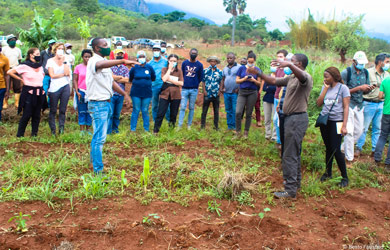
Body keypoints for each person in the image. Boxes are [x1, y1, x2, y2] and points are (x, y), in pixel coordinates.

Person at [260, 53, 313, 199]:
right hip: (290, 119)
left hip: (297, 119)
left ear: (300, 64)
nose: (289, 62)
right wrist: (258, 72)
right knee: (292, 152)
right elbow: (273, 80)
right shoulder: (291, 78)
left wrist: (289, 65)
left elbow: (302, 77)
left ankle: (290, 190)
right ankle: (295, 183)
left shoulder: (305, 78)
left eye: (293, 61)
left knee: (289, 154)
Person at [86, 37, 136, 174]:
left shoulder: (105, 64)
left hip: (105, 103)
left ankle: (94, 162)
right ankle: (98, 170)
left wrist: (125, 94)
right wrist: (123, 61)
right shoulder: (94, 61)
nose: (108, 47)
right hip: (98, 104)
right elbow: (101, 65)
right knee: (99, 138)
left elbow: (111, 82)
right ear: (97, 48)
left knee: (98, 136)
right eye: (105, 45)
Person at [316, 67, 350, 187]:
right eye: (324, 76)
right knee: (329, 148)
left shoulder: (343, 88)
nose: (325, 79)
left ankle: (345, 177)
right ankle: (328, 173)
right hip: (325, 122)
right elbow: (319, 103)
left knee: (336, 149)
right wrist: (325, 89)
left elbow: (346, 107)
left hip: (337, 122)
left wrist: (344, 126)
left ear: (334, 76)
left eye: (327, 76)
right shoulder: (325, 87)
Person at [8, 48, 47, 137]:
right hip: (29, 93)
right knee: (27, 114)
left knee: (37, 115)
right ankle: (20, 135)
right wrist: (20, 79)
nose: (39, 55)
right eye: (37, 53)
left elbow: (42, 76)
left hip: (39, 93)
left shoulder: (40, 66)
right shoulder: (24, 66)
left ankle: (34, 134)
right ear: (31, 55)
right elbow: (9, 72)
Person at [341, 51, 372, 163]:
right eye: (360, 63)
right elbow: (341, 91)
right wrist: (358, 88)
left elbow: (364, 91)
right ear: (354, 61)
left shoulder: (365, 73)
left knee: (359, 131)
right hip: (348, 104)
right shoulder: (346, 73)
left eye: (364, 63)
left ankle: (343, 148)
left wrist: (368, 89)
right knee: (349, 131)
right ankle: (349, 158)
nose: (362, 65)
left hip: (359, 104)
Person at [356, 53, 390, 157]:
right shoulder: (368, 72)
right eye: (387, 62)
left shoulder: (387, 75)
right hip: (368, 103)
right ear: (380, 62)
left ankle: (375, 149)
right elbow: (361, 86)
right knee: (364, 127)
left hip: (381, 104)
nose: (388, 64)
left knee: (377, 128)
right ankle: (358, 148)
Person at [153, 54, 184, 133]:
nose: (173, 62)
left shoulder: (179, 71)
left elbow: (181, 83)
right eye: (171, 61)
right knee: (160, 113)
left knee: (173, 114)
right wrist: (169, 70)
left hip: (176, 95)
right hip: (165, 94)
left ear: (177, 62)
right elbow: (164, 79)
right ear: (168, 61)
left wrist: (171, 80)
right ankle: (156, 131)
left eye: (174, 61)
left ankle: (171, 130)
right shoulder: (164, 69)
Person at [46, 43, 71, 135]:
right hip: (54, 87)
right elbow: (52, 75)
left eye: (62, 49)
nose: (60, 50)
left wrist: (64, 61)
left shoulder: (66, 60)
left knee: (62, 109)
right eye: (59, 49)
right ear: (55, 50)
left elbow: (67, 72)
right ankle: (53, 129)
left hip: (65, 85)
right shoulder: (50, 61)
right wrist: (63, 75)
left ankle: (61, 128)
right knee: (53, 109)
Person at [235, 51, 262, 138]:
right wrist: (244, 79)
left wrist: (254, 80)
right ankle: (238, 131)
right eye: (249, 61)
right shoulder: (241, 68)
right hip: (242, 91)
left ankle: (246, 132)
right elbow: (237, 80)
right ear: (246, 60)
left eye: (252, 62)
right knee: (238, 112)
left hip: (252, 92)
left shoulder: (257, 70)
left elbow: (259, 83)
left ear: (254, 61)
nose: (250, 63)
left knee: (249, 113)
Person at [129, 51, 156, 132]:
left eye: (143, 56)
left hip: (147, 92)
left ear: (145, 57)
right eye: (140, 57)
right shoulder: (134, 67)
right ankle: (133, 129)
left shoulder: (149, 67)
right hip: (136, 93)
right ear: (137, 58)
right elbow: (130, 78)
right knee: (136, 110)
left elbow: (153, 78)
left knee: (145, 110)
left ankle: (146, 129)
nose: (141, 58)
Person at [178, 48, 204, 129]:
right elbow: (181, 74)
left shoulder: (200, 65)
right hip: (184, 89)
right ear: (189, 53)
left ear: (197, 54)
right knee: (182, 107)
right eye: (192, 53)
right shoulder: (184, 63)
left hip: (194, 90)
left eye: (195, 53)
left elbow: (200, 77)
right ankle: (180, 125)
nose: (193, 54)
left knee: (191, 108)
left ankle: (189, 125)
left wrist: (195, 83)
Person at [108, 49, 129, 134]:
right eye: (117, 54)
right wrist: (120, 77)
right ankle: (108, 131)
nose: (119, 55)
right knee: (110, 114)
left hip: (120, 94)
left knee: (117, 114)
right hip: (111, 94)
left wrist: (115, 78)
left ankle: (115, 129)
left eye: (121, 54)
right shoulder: (110, 67)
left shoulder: (125, 68)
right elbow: (109, 77)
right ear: (114, 55)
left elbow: (127, 80)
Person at [73, 49, 93, 134]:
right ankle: (82, 130)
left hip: (91, 91)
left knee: (89, 110)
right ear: (82, 57)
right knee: (81, 110)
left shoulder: (93, 67)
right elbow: (75, 80)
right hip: (81, 91)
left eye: (89, 57)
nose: (87, 58)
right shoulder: (78, 67)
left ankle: (88, 129)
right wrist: (77, 91)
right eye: (85, 57)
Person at [201, 56, 223, 130]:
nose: (213, 62)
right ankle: (202, 126)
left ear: (216, 62)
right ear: (209, 62)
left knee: (216, 111)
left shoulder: (220, 72)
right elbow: (203, 81)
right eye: (211, 61)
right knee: (204, 110)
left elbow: (221, 82)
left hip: (216, 93)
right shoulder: (205, 71)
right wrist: (204, 91)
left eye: (214, 61)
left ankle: (216, 126)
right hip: (207, 93)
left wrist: (220, 91)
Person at [374, 76, 390, 173]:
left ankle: (377, 159)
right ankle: (388, 164)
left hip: (386, 112)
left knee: (383, 136)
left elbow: (380, 96)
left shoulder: (385, 81)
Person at [148, 44, 168, 121]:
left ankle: (167, 120)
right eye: (154, 50)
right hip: (154, 86)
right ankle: (155, 120)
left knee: (166, 104)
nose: (156, 51)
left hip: (164, 86)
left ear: (160, 51)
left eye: (157, 50)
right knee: (154, 105)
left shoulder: (165, 62)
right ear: (152, 51)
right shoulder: (150, 63)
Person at [221, 52, 240, 130]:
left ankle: (235, 126)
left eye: (231, 58)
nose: (229, 59)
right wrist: (221, 88)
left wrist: (238, 88)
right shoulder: (225, 68)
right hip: (226, 93)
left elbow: (242, 78)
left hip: (234, 93)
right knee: (228, 110)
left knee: (235, 110)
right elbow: (223, 79)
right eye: (228, 58)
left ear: (234, 58)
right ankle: (229, 126)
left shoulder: (239, 67)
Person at [2, 34, 22, 109]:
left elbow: (19, 60)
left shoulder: (18, 50)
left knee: (17, 86)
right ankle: (5, 102)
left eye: (14, 40)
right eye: (11, 40)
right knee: (6, 86)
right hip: (6, 69)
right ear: (8, 42)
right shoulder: (4, 49)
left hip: (15, 69)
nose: (13, 41)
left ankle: (16, 102)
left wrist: (19, 70)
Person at [273, 50, 287, 149]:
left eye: (281, 56)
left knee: (278, 120)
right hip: (276, 97)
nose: (279, 58)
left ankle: (281, 142)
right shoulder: (277, 69)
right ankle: (279, 141)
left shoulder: (287, 71)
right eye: (278, 56)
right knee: (276, 121)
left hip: (283, 99)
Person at [0, 43, 10, 121]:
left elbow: (7, 75)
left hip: (1, 86)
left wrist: (7, 89)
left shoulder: (5, 59)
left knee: (0, 106)